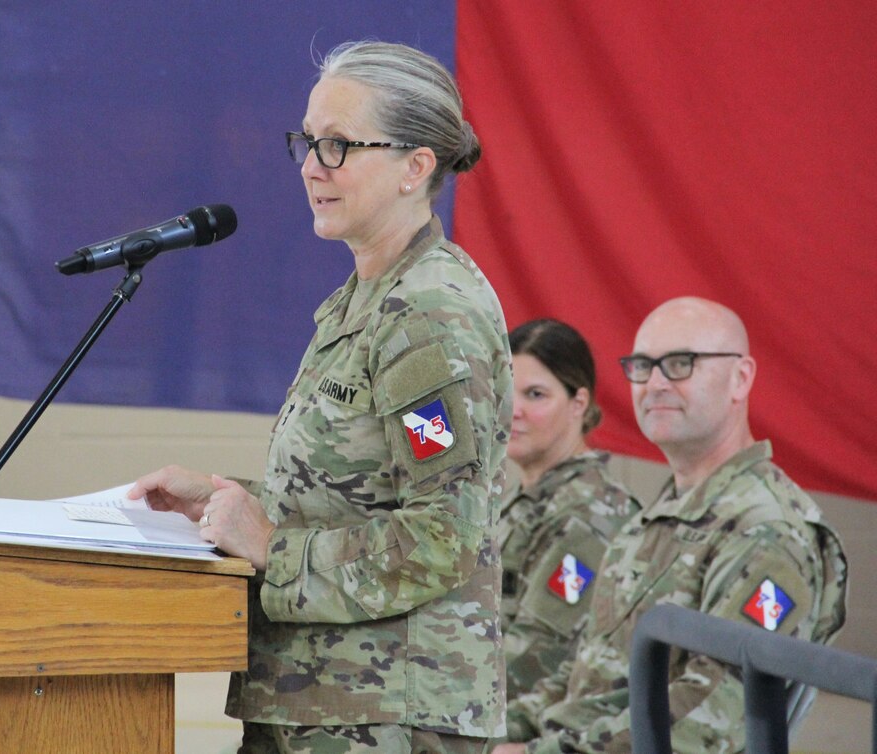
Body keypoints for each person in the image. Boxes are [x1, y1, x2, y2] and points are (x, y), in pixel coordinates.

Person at [129, 40, 514, 753]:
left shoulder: (428, 313)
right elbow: (348, 498)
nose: (311, 166)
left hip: (385, 717)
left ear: (415, 167)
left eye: (337, 145)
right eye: (307, 141)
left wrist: (270, 546)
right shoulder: (364, 300)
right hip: (318, 705)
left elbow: (441, 538)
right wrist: (220, 498)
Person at [496, 296, 848, 754]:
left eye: (681, 364)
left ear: (741, 378)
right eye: (643, 366)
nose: (656, 383)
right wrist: (489, 733)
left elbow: (713, 716)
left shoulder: (767, 529)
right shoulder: (657, 519)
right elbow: (586, 677)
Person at [491, 319, 639, 747]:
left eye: (535, 395)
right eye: (506, 389)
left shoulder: (589, 515)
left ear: (579, 403)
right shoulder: (532, 498)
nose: (513, 409)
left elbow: (536, 661)